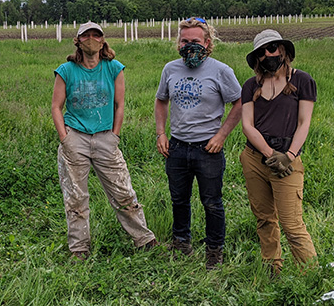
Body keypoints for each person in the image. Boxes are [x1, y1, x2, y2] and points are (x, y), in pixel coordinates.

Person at [52, 22, 157, 262]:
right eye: (85, 36)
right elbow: (56, 107)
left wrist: (114, 135)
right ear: (77, 41)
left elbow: (120, 105)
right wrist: (64, 137)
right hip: (75, 137)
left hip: (105, 138)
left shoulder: (113, 68)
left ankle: (144, 239)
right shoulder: (66, 70)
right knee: (76, 196)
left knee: (123, 192)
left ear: (103, 40)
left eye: (95, 35)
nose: (91, 39)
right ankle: (79, 248)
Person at [154, 17, 243, 270]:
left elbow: (240, 103)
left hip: (208, 148)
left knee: (212, 201)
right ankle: (181, 242)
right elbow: (161, 100)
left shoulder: (221, 71)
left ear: (207, 42)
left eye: (195, 41)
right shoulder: (170, 69)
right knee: (179, 199)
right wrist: (161, 133)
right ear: (177, 42)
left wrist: (221, 135)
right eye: (184, 41)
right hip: (178, 147)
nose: (189, 45)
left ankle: (215, 250)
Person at [239, 29, 317, 277]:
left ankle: (312, 275)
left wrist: (289, 155)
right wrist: (269, 153)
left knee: (292, 224)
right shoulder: (251, 85)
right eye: (261, 52)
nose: (267, 55)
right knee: (264, 219)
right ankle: (272, 268)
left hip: (288, 159)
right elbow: (247, 125)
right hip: (255, 158)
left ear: (283, 50)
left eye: (271, 48)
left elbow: (304, 123)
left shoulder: (302, 81)